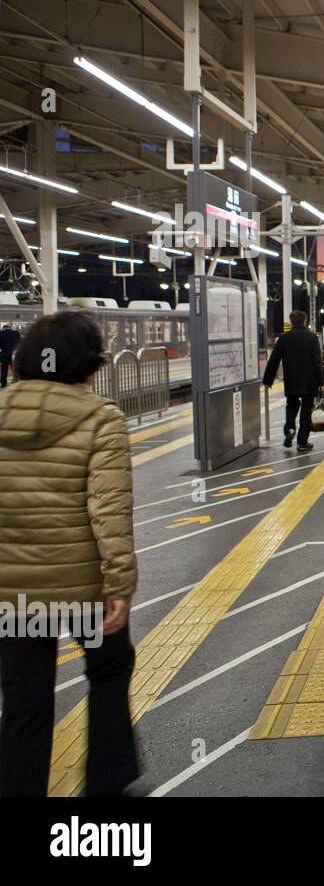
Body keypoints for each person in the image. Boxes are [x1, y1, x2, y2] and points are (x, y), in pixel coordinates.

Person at [0, 311, 140, 796]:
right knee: (109, 669)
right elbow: (109, 512)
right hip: (86, 591)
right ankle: (108, 780)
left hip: (14, 596)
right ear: (88, 366)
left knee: (24, 704)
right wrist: (119, 584)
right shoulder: (101, 419)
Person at [263, 310, 324, 452]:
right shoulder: (312, 337)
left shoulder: (284, 339)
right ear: (305, 321)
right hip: (309, 381)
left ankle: (289, 429)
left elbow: (274, 360)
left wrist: (268, 380)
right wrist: (321, 382)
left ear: (291, 322)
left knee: (291, 406)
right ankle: (302, 442)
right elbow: (317, 362)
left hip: (291, 380)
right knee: (306, 410)